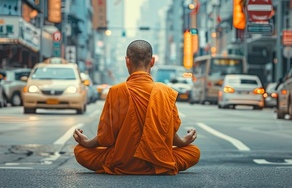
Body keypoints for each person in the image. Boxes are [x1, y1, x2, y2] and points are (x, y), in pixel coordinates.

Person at [73, 40, 200, 175]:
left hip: (122, 161)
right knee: (193, 152)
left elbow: (106, 137)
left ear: (127, 61)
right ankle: (158, 165)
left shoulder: (117, 91)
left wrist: (88, 143)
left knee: (80, 151)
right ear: (152, 61)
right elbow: (167, 130)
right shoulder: (165, 91)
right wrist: (182, 142)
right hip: (157, 162)